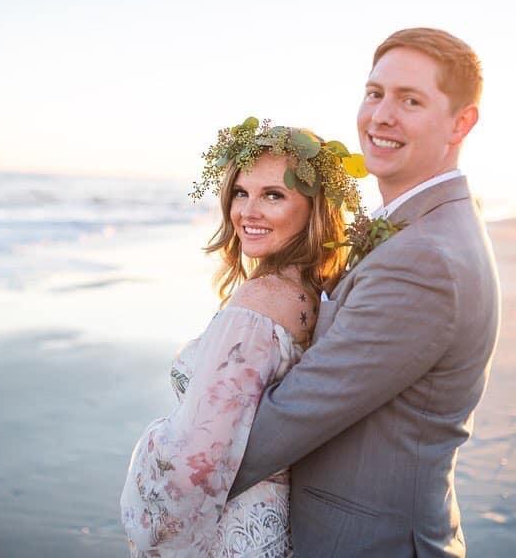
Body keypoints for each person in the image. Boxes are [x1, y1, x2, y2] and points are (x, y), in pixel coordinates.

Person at [228, 28, 501, 557]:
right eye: (375, 93)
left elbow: (300, 411)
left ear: (461, 122)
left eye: (410, 100)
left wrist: (174, 474)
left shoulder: (425, 257)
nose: (381, 116)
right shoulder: (418, 227)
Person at [120, 118, 364, 556]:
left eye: (273, 195)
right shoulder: (315, 294)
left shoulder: (260, 304)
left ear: (314, 207)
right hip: (280, 526)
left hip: (233, 533)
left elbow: (192, 467)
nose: (247, 212)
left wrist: (151, 448)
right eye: (240, 192)